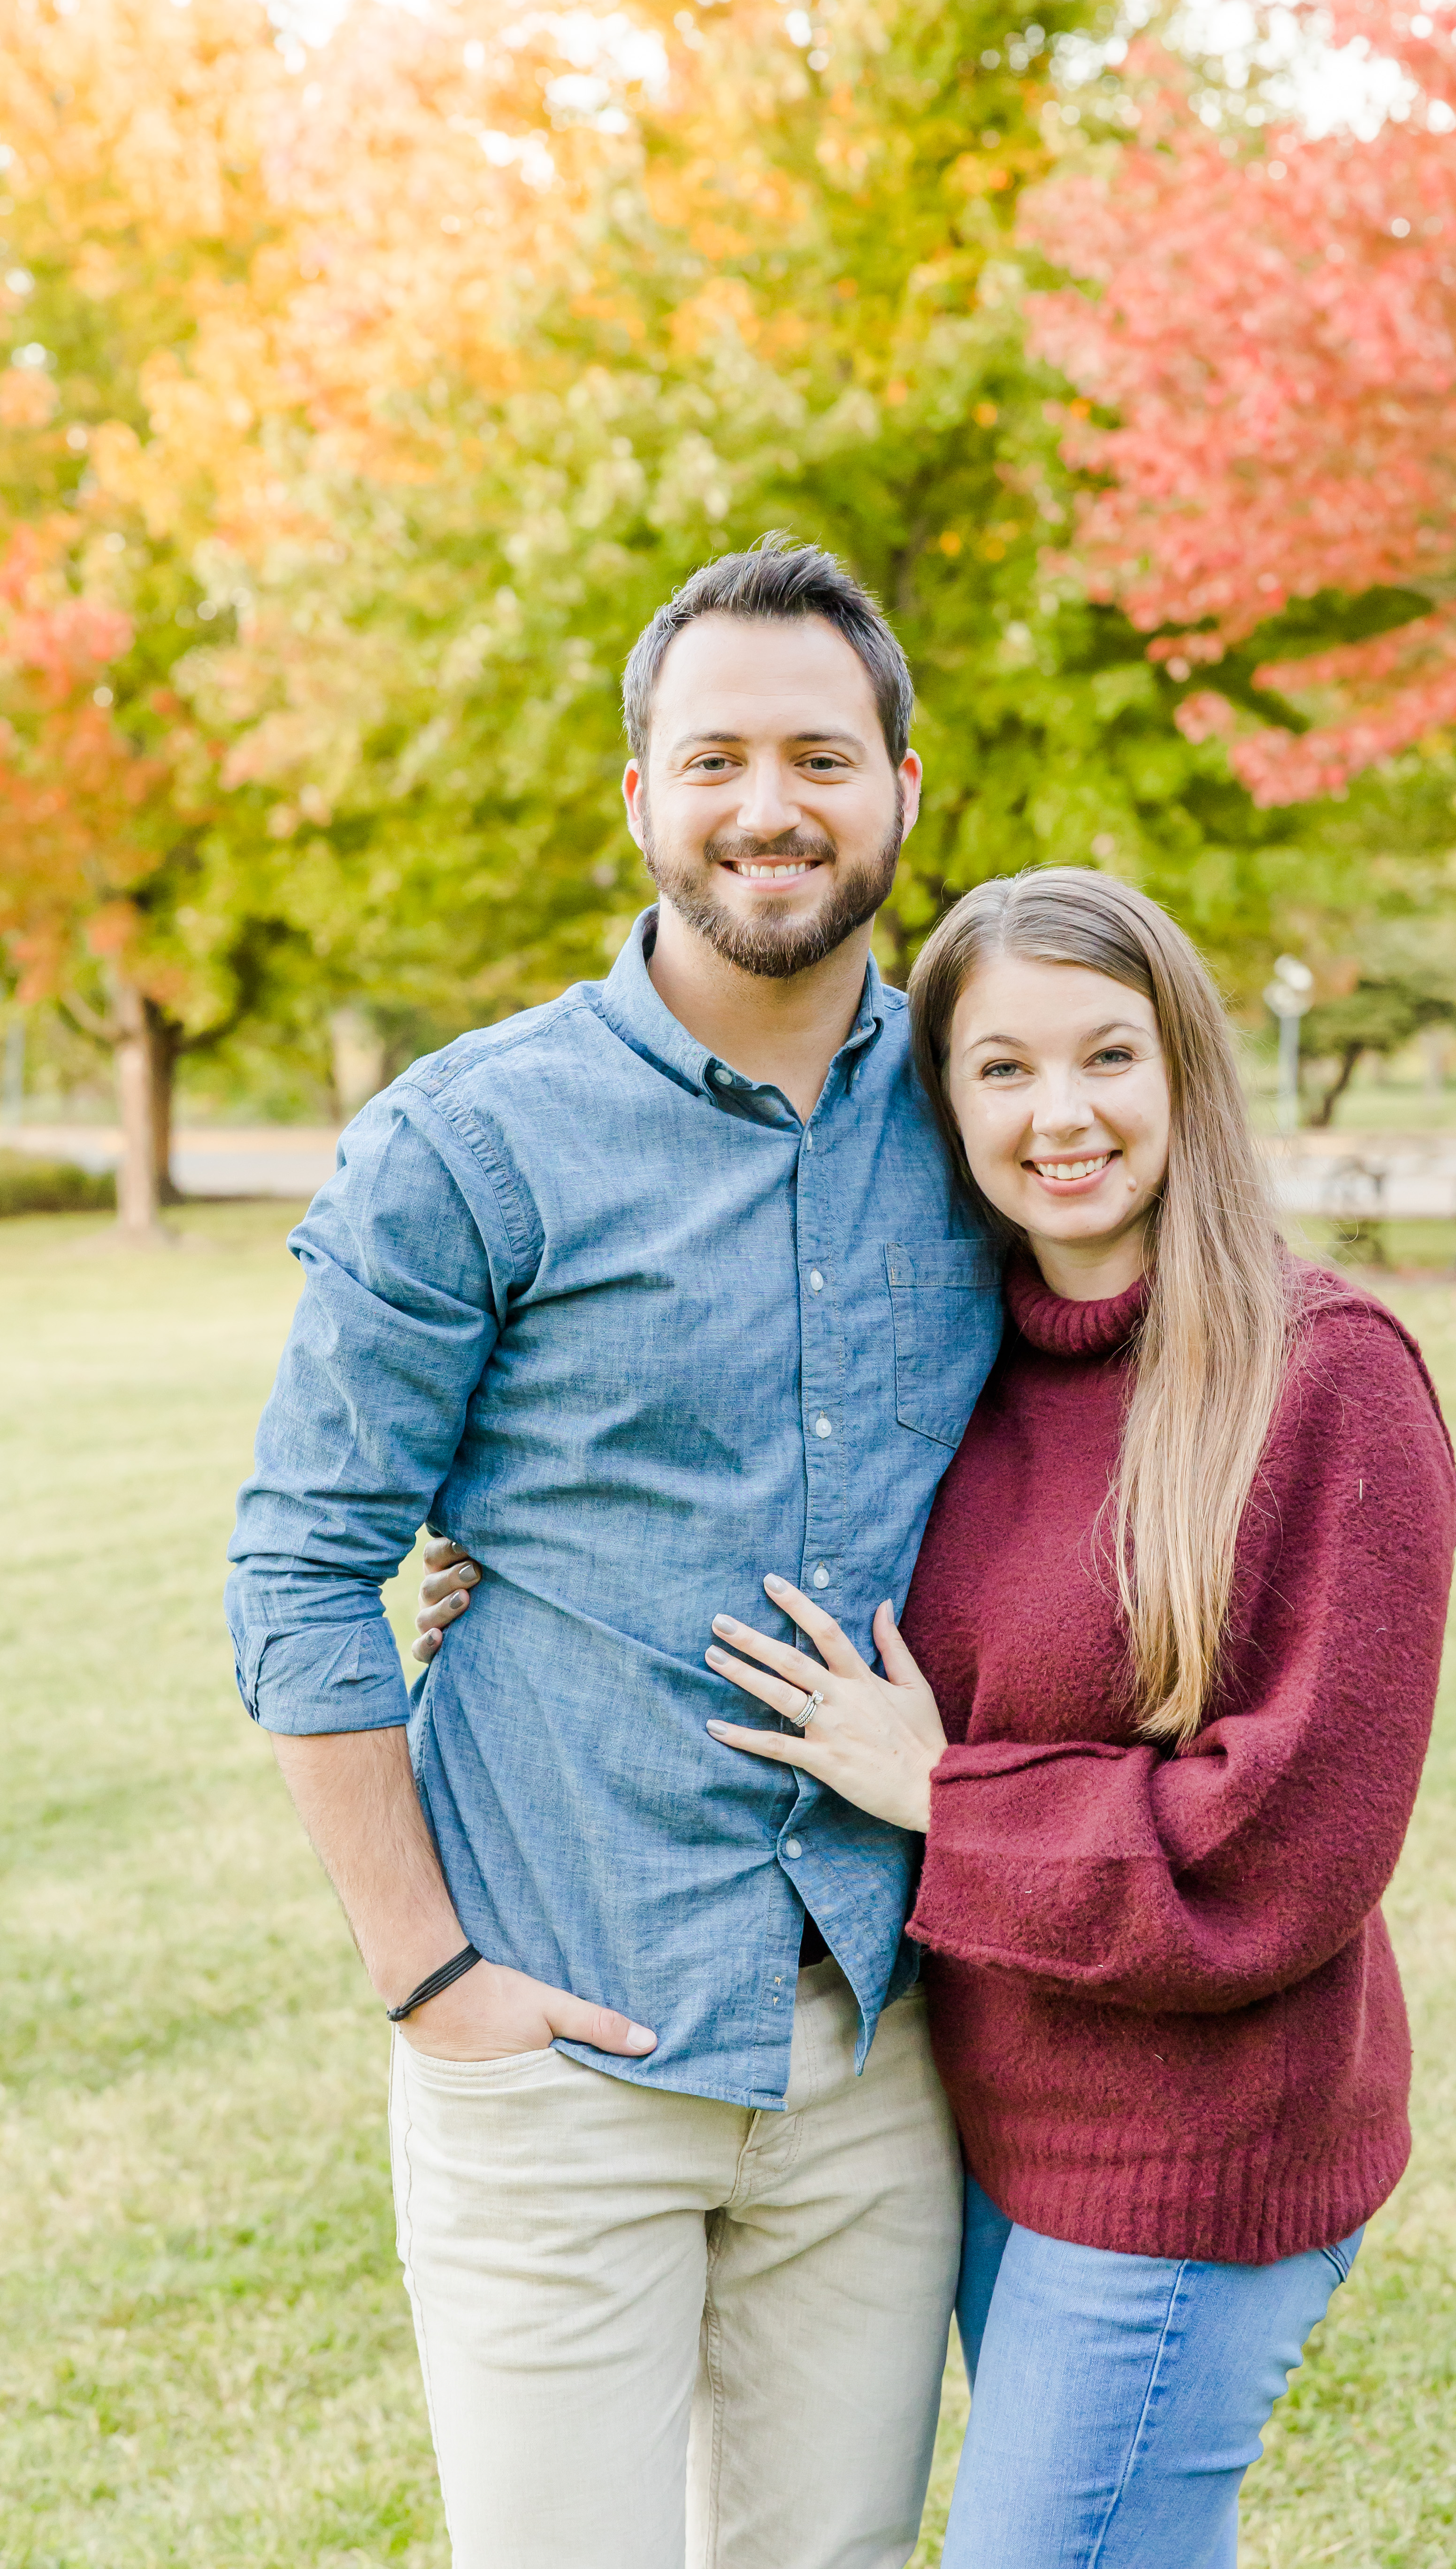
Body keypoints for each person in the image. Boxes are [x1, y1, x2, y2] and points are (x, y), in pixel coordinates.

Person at [224, 538, 1005, 2569]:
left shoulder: (984, 1112)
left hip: (883, 2036)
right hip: (559, 2026)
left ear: (905, 793)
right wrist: (429, 1973)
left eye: (823, 755)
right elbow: (303, 1569)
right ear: (642, 799)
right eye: (719, 755)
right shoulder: (470, 1145)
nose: (772, 804)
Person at [686, 869, 1456, 2567]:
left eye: (1108, 1055)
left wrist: (949, 1797)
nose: (1063, 1117)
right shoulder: (959, 1364)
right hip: (987, 2120)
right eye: (1003, 1069)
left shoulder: (1329, 1378)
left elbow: (1286, 1852)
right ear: (942, 1101)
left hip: (1196, 2150)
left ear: (1184, 1064)